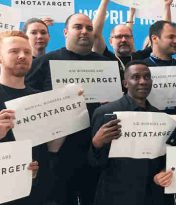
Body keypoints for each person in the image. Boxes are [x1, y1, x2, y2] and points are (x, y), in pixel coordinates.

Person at [25, 13, 109, 205]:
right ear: (65, 32)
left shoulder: (106, 65)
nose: (84, 32)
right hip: (58, 155)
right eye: (78, 27)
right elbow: (29, 104)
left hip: (97, 151)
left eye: (89, 28)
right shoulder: (44, 63)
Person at [89, 61, 165, 205]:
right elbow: (94, 163)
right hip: (115, 195)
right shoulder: (106, 112)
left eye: (147, 77)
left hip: (151, 195)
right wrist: (96, 144)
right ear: (125, 83)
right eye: (136, 77)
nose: (143, 81)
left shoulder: (159, 116)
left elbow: (160, 159)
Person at [0, 30, 48, 205]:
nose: (22, 56)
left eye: (27, 52)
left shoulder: (40, 99)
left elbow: (52, 148)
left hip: (34, 193)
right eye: (14, 51)